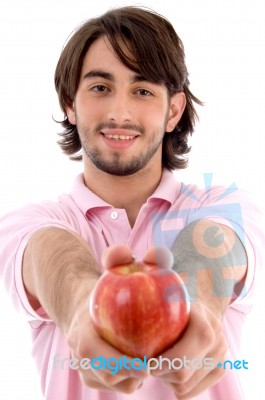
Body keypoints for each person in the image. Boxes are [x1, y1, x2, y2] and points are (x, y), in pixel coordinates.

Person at [0, 6, 264, 400]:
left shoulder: (224, 205)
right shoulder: (27, 223)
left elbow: (217, 248)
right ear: (70, 103)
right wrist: (83, 307)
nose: (119, 113)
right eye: (100, 88)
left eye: (142, 90)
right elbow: (47, 254)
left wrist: (195, 302)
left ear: (173, 110)